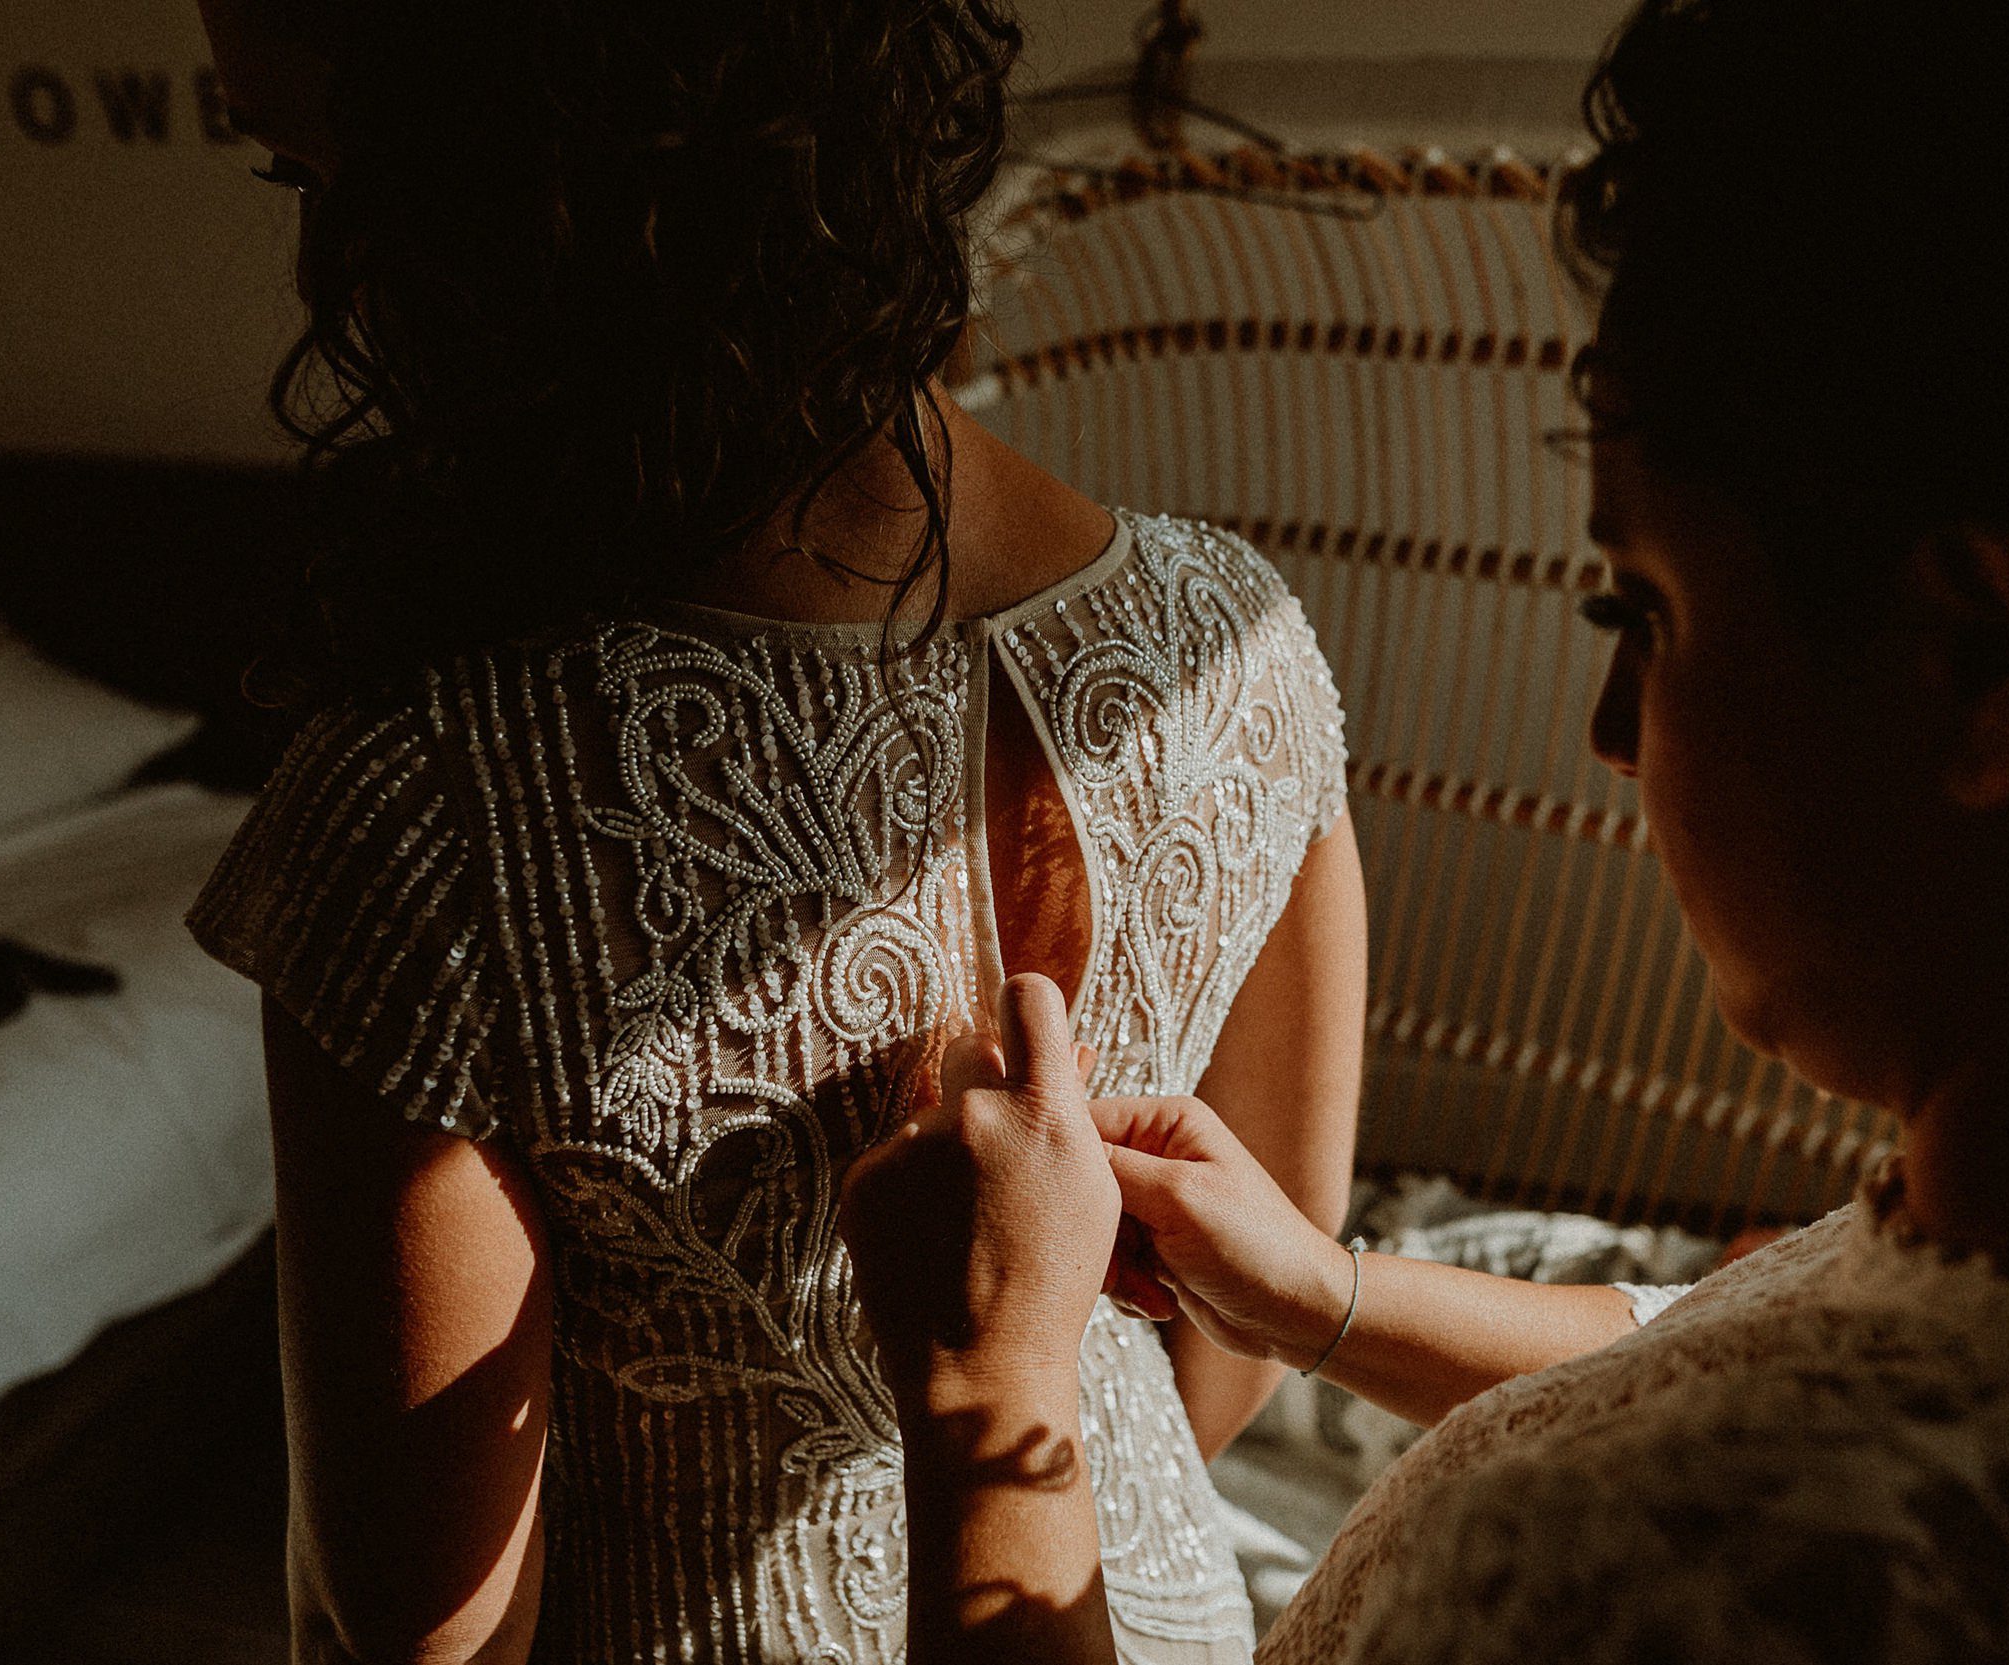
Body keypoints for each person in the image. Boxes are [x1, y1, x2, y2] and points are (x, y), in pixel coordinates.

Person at [840, 0, 2009, 1658]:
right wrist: (1327, 1295)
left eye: (1642, 609)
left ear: (1986, 662)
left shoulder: (1666, 1581)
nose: (1605, 732)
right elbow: (1739, 1329)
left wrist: (985, 1393)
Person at [182, 2, 1368, 1659]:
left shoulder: (430, 807)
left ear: (513, 197)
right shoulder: (1235, 641)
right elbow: (1243, 1320)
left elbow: (424, 1633)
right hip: (1133, 1609)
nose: (328, 274)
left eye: (319, 174)